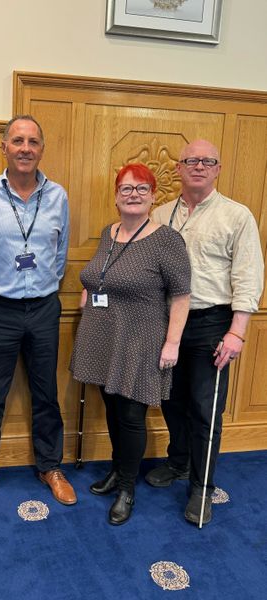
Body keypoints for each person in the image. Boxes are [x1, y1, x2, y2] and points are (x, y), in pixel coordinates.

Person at [0, 115, 76, 516]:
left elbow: (59, 256)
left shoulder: (58, 196)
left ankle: (50, 467)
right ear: (4, 146)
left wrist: (43, 284)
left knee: (46, 394)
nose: (26, 148)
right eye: (18, 140)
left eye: (34, 142)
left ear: (42, 149)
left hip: (43, 308)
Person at [145, 140, 264, 525]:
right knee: (171, 402)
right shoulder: (160, 214)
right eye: (191, 161)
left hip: (213, 323)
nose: (199, 166)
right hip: (167, 324)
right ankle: (178, 462)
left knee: (204, 409)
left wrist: (237, 333)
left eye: (207, 161)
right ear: (178, 168)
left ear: (217, 169)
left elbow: (248, 276)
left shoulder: (237, 215)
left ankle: (202, 487)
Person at [70, 163, 191, 525]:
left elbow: (182, 295)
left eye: (141, 188)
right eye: (126, 188)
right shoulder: (109, 233)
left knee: (131, 415)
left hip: (142, 339)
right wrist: (86, 293)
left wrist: (172, 344)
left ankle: (127, 488)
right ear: (116, 196)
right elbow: (99, 274)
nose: (133, 194)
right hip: (104, 336)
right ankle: (117, 470)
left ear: (154, 196)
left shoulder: (166, 239)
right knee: (110, 407)